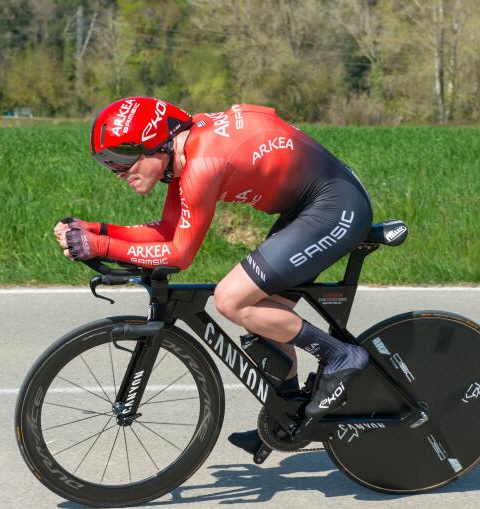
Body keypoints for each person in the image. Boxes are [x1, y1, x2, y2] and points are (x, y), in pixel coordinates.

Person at [54, 97, 373, 457]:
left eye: (124, 157)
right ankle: (289, 416)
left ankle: (340, 356)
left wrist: (98, 245)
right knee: (263, 315)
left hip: (335, 206)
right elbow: (166, 232)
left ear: (156, 141)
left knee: (231, 299)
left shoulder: (202, 163)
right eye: (107, 162)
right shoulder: (183, 154)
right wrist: (93, 231)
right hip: (309, 205)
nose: (118, 170)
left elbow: (179, 254)